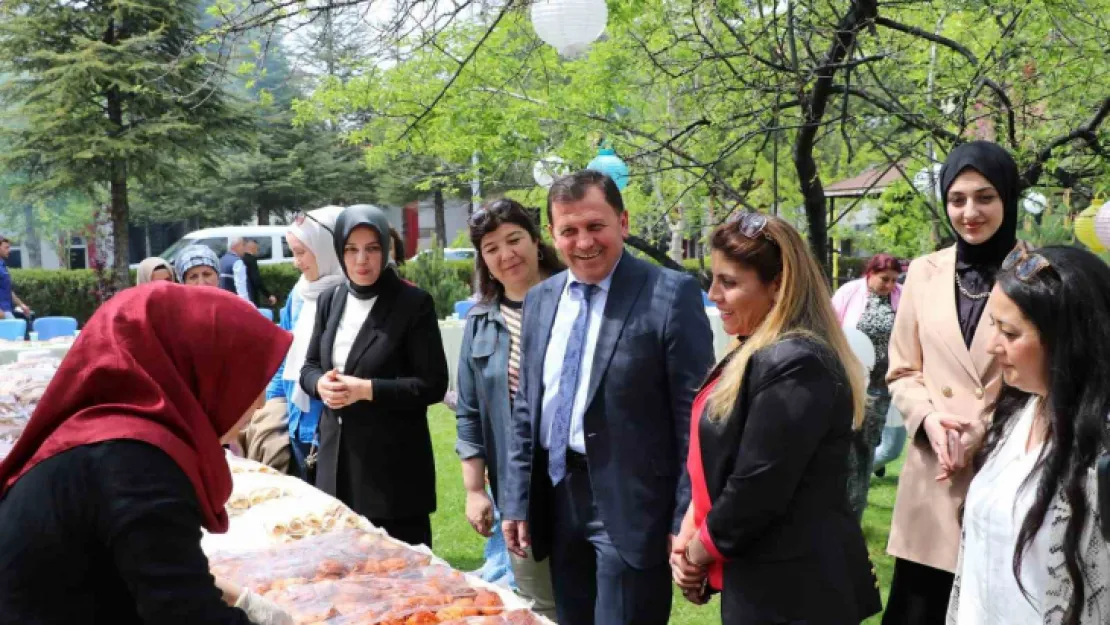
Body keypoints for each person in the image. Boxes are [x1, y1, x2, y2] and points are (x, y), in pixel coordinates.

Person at [0, 283, 294, 625]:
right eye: (248, 379)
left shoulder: (115, 435)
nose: (258, 404)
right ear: (202, 369)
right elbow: (185, 615)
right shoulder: (134, 462)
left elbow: (150, 564)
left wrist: (236, 598)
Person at [500, 170, 715, 625]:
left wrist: (684, 516)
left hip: (632, 505)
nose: (584, 243)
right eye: (569, 231)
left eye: (595, 227)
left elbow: (693, 419)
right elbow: (526, 410)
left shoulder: (669, 293)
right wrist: (517, 500)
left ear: (623, 221)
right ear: (552, 237)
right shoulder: (540, 300)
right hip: (557, 497)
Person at [670, 212, 881, 624]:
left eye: (729, 283)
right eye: (713, 279)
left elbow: (756, 490)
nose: (713, 294)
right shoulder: (758, 348)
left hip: (796, 591)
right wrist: (690, 532)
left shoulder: (797, 362)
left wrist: (695, 555)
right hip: (762, 577)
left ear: (778, 286)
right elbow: (716, 460)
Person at [883, 140, 1020, 625]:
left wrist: (983, 431)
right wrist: (928, 421)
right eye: (957, 199)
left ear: (1008, 196)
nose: (970, 212)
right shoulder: (923, 272)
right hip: (932, 483)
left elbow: (1053, 382)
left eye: (985, 197)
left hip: (1008, 475)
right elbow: (902, 370)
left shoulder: (1039, 275)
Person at [948, 244, 1110, 624]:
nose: (992, 346)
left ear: (1069, 341)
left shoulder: (1100, 448)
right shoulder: (1019, 411)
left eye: (1009, 332)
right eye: (994, 325)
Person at [300, 205, 448, 548]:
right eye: (351, 249)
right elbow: (309, 367)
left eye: (372, 248)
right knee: (341, 577)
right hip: (335, 468)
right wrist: (320, 384)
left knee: (401, 584)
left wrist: (367, 390)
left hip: (391, 475)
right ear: (339, 251)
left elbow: (433, 384)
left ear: (386, 248)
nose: (361, 260)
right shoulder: (330, 300)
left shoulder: (413, 304)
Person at [455, 198, 563, 616]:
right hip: (516, 487)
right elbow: (468, 412)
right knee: (538, 602)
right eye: (492, 248)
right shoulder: (481, 321)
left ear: (537, 241)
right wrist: (474, 489)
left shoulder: (577, 299)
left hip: (580, 481)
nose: (506, 255)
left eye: (514, 240)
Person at [249, 206, 345, 479]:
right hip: (297, 425)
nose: (295, 262)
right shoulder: (300, 294)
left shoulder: (352, 296)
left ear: (327, 248)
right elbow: (284, 357)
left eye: (301, 252)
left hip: (335, 428)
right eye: (293, 252)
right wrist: (271, 409)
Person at [832, 253, 903, 518]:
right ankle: (839, 510)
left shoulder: (901, 297)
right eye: (885, 279)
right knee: (848, 451)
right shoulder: (849, 293)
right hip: (851, 386)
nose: (890, 285)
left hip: (884, 389)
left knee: (866, 452)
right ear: (869, 274)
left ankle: (853, 512)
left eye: (895, 280)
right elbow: (830, 329)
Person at [0, 235, 35, 334]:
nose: (9, 250)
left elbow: (7, 290)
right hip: (2, 313)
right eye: (6, 247)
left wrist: (22, 305)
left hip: (7, 310)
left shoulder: (2, 265)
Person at [243, 239, 278, 308]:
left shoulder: (240, 258)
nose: (257, 251)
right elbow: (256, 280)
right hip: (252, 294)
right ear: (253, 248)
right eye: (257, 249)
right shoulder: (252, 260)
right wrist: (268, 295)